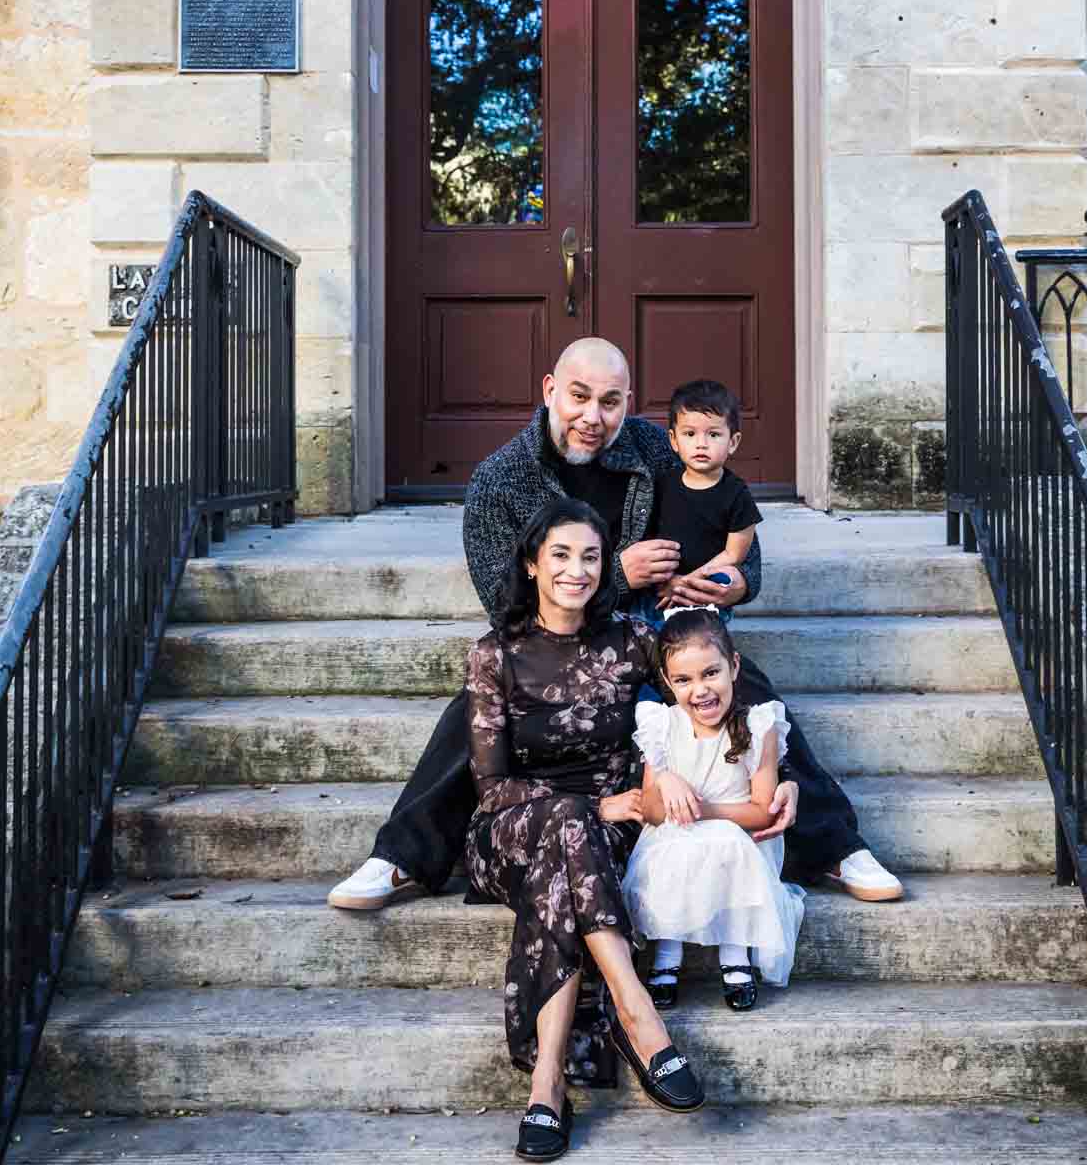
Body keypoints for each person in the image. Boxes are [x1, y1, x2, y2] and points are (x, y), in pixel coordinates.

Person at [328, 337, 902, 911]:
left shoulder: (657, 448)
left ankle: (836, 846)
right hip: (552, 652)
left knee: (740, 687)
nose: (592, 417)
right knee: (474, 707)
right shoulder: (500, 480)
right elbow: (505, 608)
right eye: (578, 397)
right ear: (550, 391)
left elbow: (735, 531)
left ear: (628, 402)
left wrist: (731, 581)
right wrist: (616, 577)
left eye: (609, 402)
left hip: (654, 641)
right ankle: (401, 857)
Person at [465, 498, 705, 1160]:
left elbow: (705, 693)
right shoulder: (495, 653)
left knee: (567, 855)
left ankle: (545, 1088)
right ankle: (637, 1013)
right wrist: (595, 807)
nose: (577, 570)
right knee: (568, 821)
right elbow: (489, 786)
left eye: (591, 556)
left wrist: (774, 763)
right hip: (509, 831)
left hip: (610, 828)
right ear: (531, 564)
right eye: (561, 555)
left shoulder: (632, 639)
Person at [624, 609, 806, 1014]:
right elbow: (653, 813)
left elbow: (762, 813)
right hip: (673, 837)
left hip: (737, 839)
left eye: (711, 673)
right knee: (674, 848)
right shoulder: (661, 726)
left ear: (734, 666)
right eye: (684, 680)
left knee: (724, 844)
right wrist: (665, 779)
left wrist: (704, 811)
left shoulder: (759, 726)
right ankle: (667, 958)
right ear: (669, 683)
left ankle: (735, 956)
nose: (700, 689)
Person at [633, 379, 761, 629]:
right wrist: (666, 581)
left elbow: (735, 554)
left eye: (713, 434)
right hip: (661, 592)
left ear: (733, 442)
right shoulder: (662, 484)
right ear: (673, 440)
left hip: (705, 594)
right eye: (690, 434)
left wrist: (688, 583)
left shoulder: (736, 494)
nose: (701, 443)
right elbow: (646, 534)